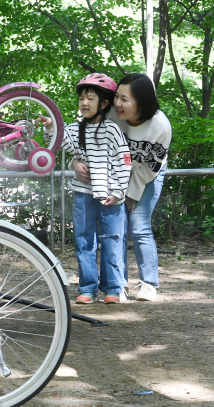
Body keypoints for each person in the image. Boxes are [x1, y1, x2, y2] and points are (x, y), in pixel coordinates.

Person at [73, 74, 171, 302]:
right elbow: (85, 147)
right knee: (117, 225)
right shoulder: (109, 116)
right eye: (116, 96)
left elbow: (151, 166)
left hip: (146, 173)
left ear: (142, 102)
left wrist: (132, 192)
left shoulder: (160, 126)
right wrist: (75, 164)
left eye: (124, 99)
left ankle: (148, 284)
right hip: (113, 172)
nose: (117, 103)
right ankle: (117, 286)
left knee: (138, 225)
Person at [39, 73, 131, 304]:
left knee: (111, 241)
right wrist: (51, 126)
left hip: (111, 197)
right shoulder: (76, 128)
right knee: (84, 241)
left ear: (104, 103)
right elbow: (61, 141)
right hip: (83, 194)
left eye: (90, 98)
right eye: (81, 98)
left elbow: (124, 161)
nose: (84, 103)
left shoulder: (112, 129)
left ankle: (113, 288)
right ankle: (88, 287)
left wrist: (118, 192)